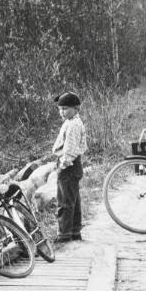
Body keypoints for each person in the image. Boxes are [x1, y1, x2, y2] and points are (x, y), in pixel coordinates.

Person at [52, 91, 87, 243]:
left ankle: (64, 234)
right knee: (73, 200)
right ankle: (74, 231)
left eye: (65, 108)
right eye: (60, 109)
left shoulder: (73, 125)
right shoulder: (70, 122)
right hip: (74, 165)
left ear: (76, 108)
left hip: (69, 166)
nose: (62, 112)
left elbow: (70, 149)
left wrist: (63, 165)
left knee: (65, 202)